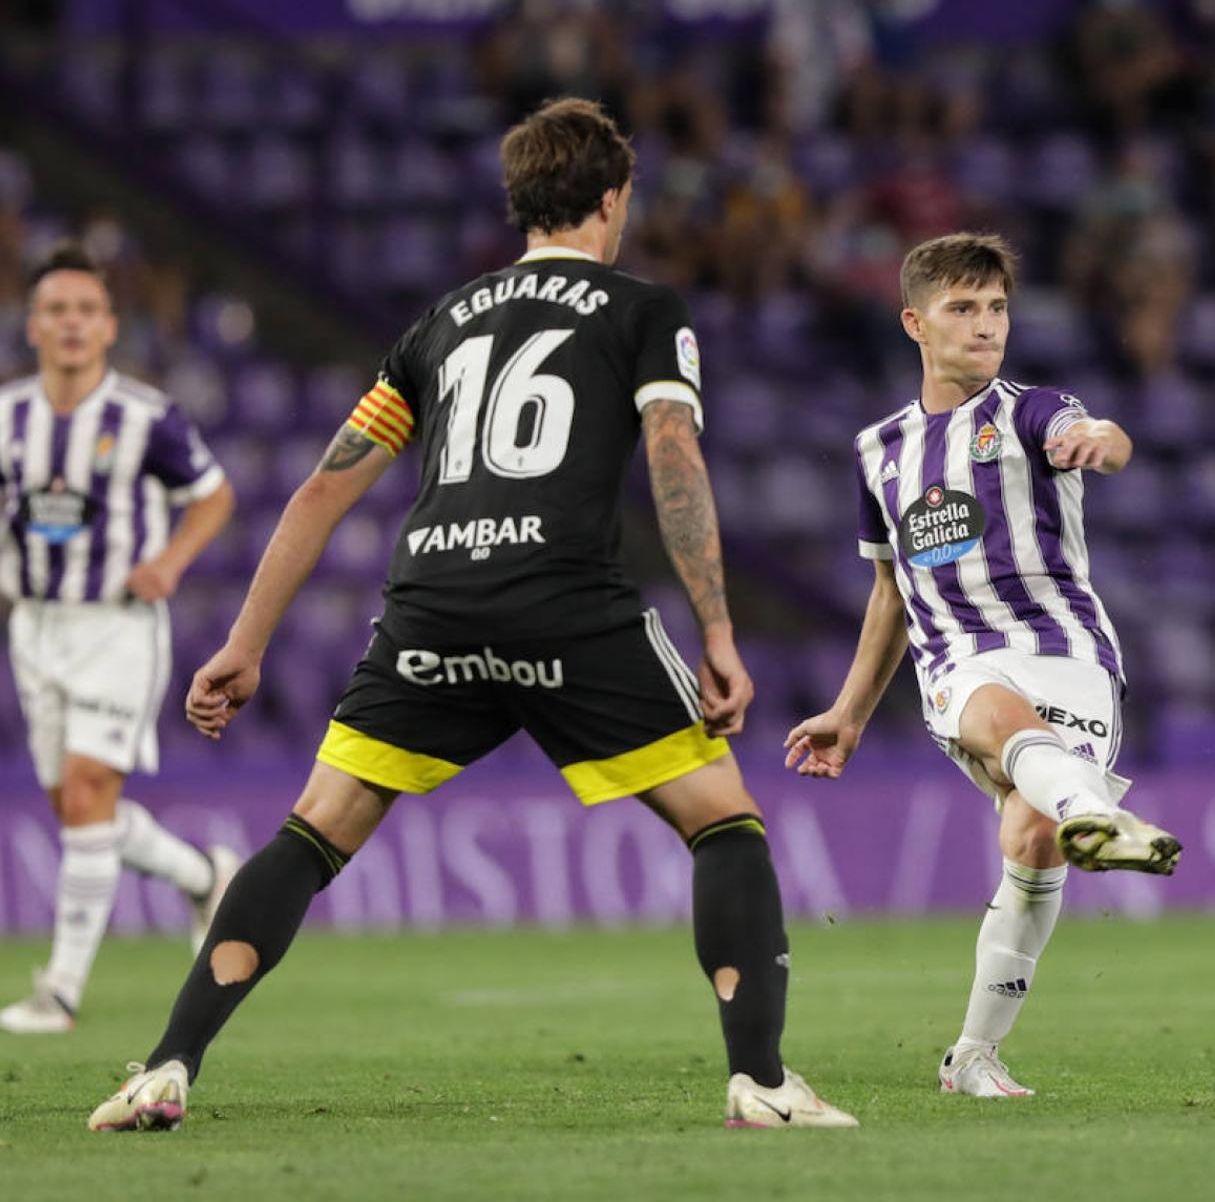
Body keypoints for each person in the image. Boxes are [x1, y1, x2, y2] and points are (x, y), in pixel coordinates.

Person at [88, 98, 855, 1134]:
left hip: (434, 607)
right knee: (723, 823)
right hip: (566, 602)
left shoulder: (441, 323)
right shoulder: (643, 310)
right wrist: (717, 631)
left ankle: (169, 1064)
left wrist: (244, 642)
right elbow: (674, 454)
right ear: (613, 199)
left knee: (313, 833)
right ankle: (759, 1081)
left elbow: (323, 486)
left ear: (522, 203)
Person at [784, 232, 1179, 1100]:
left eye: (996, 307)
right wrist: (849, 712)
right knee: (996, 709)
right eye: (963, 308)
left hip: (1072, 657)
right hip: (960, 660)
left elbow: (1103, 437)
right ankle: (1099, 815)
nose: (985, 324)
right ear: (915, 323)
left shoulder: (1036, 410)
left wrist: (1097, 440)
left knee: (1033, 837)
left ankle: (972, 1055)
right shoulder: (877, 452)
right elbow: (891, 592)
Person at [0, 244, 241, 1033]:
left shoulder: (145, 416)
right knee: (78, 812)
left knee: (88, 794)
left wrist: (171, 561)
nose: (71, 324)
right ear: (33, 325)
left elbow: (213, 497)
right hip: (34, 626)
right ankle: (205, 876)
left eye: (86, 311)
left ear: (108, 327)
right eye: (56, 311)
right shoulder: (4, 416)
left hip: (118, 627)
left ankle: (59, 993)